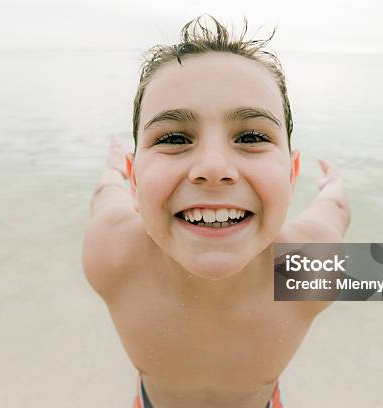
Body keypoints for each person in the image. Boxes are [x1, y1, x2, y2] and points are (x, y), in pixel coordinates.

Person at [83, 15, 350, 408]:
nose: (212, 167)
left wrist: (333, 186)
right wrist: (112, 172)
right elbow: (108, 194)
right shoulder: (116, 254)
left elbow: (336, 209)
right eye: (173, 138)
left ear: (292, 176)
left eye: (252, 137)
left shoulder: (304, 268)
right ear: (135, 180)